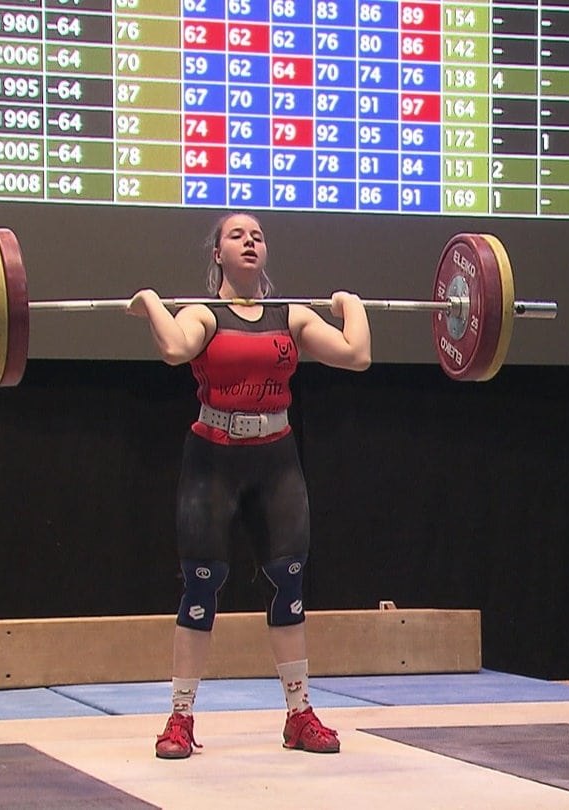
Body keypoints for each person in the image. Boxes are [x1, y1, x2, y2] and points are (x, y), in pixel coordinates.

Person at [127, 212, 371, 759]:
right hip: (213, 459)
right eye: (236, 235)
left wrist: (350, 306)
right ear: (217, 253)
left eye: (257, 236)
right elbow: (173, 349)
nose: (250, 242)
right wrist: (149, 302)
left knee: (288, 583)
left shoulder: (292, 317)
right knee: (201, 585)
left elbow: (357, 355)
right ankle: (180, 718)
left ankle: (300, 715)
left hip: (276, 460)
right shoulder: (204, 313)